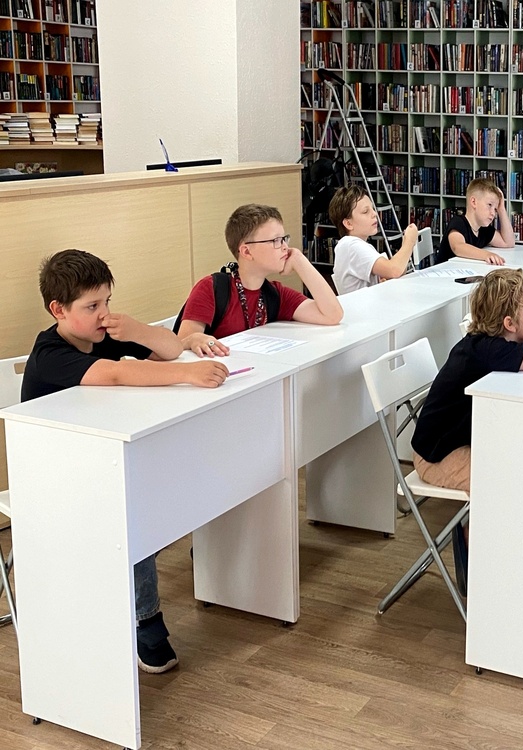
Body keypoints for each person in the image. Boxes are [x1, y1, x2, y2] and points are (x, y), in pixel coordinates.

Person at [21, 249, 230, 673]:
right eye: (91, 306)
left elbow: (170, 349)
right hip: (51, 475)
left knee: (164, 485)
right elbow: (116, 373)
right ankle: (144, 619)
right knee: (131, 511)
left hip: (99, 458)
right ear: (58, 310)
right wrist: (188, 374)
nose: (104, 314)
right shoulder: (50, 353)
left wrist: (136, 329)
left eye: (107, 302)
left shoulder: (104, 333)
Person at [410, 268, 523, 594]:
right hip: (436, 456)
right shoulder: (488, 352)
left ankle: (498, 552)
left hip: (458, 442)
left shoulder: (493, 344)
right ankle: (477, 551)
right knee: (507, 481)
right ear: (509, 324)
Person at [177, 204, 344, 357]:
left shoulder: (274, 294)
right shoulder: (211, 288)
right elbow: (183, 343)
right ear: (246, 252)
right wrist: (195, 339)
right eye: (276, 241)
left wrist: (300, 261)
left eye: (284, 239)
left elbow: (332, 315)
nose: (285, 247)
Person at [328, 185, 418, 294]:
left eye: (373, 209)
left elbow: (397, 271)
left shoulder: (357, 245)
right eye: (365, 211)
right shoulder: (350, 245)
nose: (374, 214)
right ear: (348, 223)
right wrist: (409, 242)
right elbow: (395, 270)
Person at [437, 178, 514, 265]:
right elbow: (458, 247)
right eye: (489, 205)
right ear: (473, 202)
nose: (493, 213)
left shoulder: (483, 229)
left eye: (495, 209)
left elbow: (508, 242)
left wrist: (501, 209)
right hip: (444, 271)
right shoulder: (458, 222)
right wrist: (486, 255)